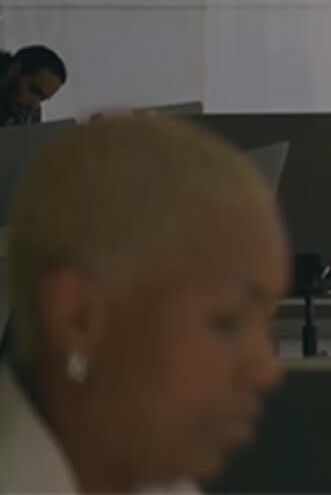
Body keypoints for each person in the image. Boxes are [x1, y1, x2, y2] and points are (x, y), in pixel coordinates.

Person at [1, 117, 288, 493]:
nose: (267, 371)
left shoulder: (154, 478)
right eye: (227, 322)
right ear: (78, 317)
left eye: (266, 321)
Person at [0, 46, 66, 127]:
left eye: (42, 98)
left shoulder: (29, 113)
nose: (34, 104)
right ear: (14, 70)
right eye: (33, 90)